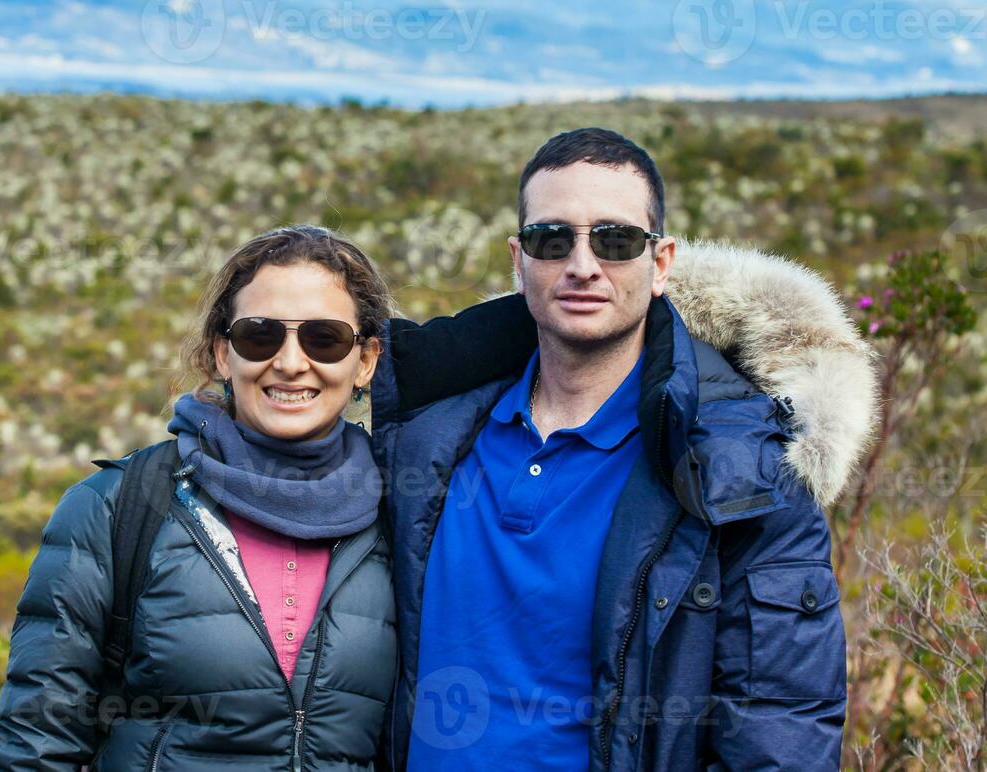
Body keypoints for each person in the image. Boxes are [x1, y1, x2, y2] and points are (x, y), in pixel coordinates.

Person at [371, 128, 874, 770]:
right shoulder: (423, 444)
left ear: (660, 263)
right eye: (552, 240)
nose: (583, 265)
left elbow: (780, 729)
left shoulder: (742, 472)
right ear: (518, 262)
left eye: (615, 241)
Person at [0, 225, 399, 771]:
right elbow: (38, 740)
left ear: (366, 361)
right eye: (260, 336)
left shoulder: (402, 513)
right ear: (223, 355)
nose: (291, 362)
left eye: (325, 338)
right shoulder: (119, 506)